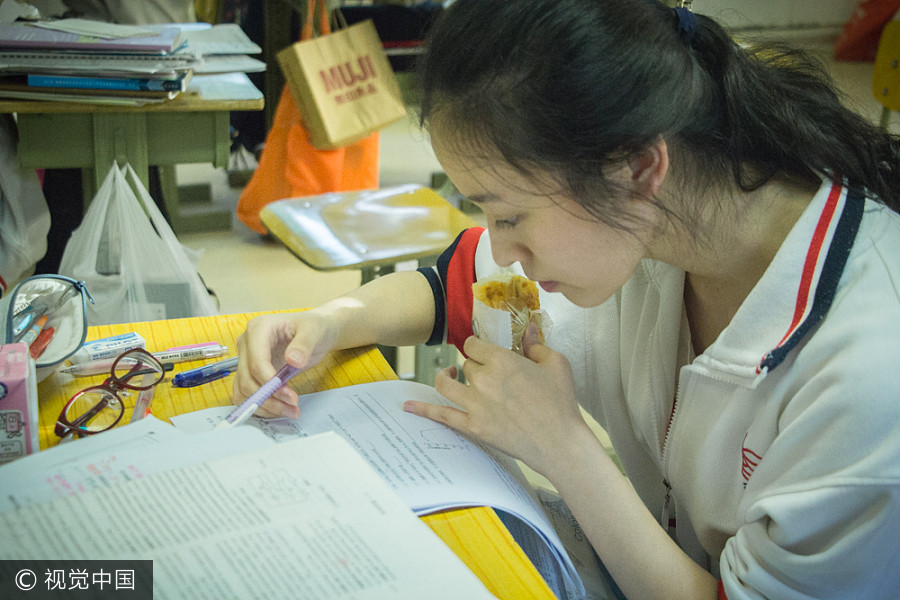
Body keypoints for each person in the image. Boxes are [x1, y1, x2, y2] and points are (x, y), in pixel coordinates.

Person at [232, 1, 900, 598]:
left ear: (638, 167)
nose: (501, 246)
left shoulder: (868, 372)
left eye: (510, 216)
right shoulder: (651, 226)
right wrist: (331, 320)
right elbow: (460, 284)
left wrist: (564, 447)